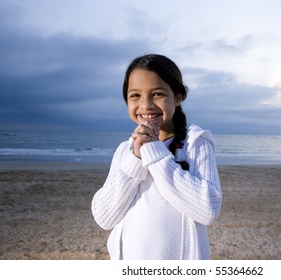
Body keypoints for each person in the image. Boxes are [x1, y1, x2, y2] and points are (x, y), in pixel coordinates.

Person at [91, 54, 222, 260]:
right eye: (135, 95)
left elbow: (208, 210)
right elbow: (104, 218)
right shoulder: (125, 150)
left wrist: (154, 150)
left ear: (177, 97)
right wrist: (136, 157)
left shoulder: (196, 143)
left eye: (158, 94)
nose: (146, 105)